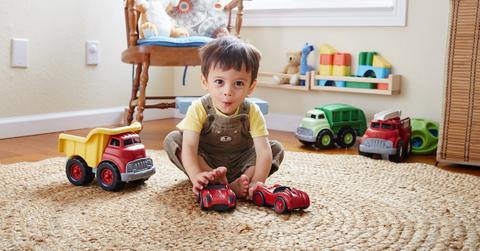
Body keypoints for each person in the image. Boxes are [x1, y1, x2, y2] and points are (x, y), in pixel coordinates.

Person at [163, 36, 284, 200]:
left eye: (239, 83)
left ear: (251, 87)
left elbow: (262, 152)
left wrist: (257, 181)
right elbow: (190, 146)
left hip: (242, 164)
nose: (228, 91)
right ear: (205, 82)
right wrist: (196, 174)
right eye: (219, 81)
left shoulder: (252, 111)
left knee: (275, 148)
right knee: (173, 140)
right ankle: (210, 178)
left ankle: (243, 182)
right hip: (206, 161)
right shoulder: (199, 108)